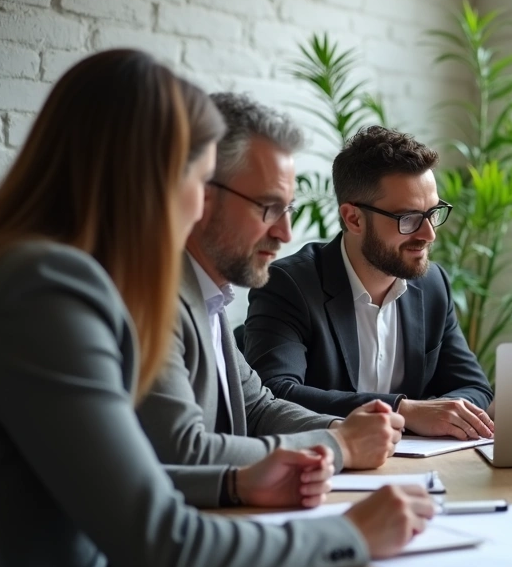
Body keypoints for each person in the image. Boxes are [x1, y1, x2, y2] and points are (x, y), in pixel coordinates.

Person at [0, 49, 434, 567]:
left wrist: (233, 482)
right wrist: (353, 532)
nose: (196, 209)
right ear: (149, 180)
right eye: (195, 181)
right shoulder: (46, 290)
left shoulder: (47, 276)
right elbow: (166, 551)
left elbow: (111, 479)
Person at [137, 93, 402, 470]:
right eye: (268, 207)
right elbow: (183, 452)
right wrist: (340, 444)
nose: (285, 233)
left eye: (288, 208)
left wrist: (342, 428)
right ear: (202, 196)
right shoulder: (153, 298)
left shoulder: (209, 297)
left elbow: (258, 408)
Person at [244, 125, 494, 440]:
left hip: (416, 461)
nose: (429, 234)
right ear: (354, 219)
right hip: (327, 461)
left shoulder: (433, 285)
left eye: (433, 213)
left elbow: (474, 387)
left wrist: (443, 414)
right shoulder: (290, 285)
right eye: (408, 219)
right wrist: (403, 410)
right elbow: (275, 393)